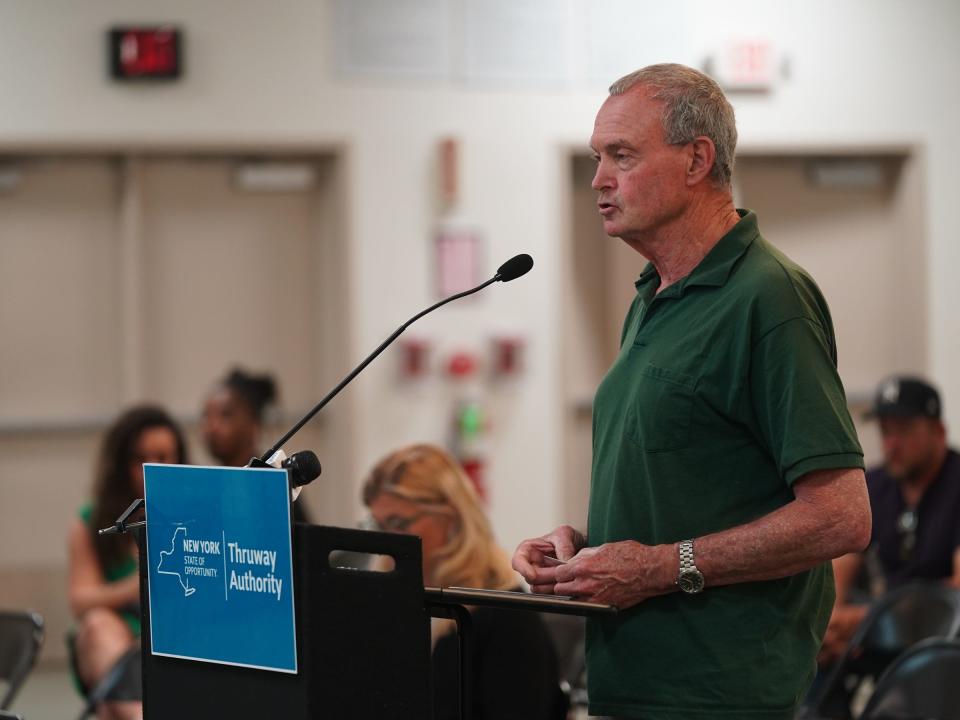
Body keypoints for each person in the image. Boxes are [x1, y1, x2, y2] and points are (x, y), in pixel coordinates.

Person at [512, 63, 872, 719]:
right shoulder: (652, 298)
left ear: (696, 160)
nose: (598, 179)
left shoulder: (768, 295)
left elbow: (841, 515)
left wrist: (656, 567)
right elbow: (697, 494)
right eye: (597, 158)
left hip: (720, 696)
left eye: (622, 155)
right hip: (631, 687)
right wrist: (585, 551)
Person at [362, 444, 564, 720]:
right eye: (379, 526)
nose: (385, 540)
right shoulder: (387, 605)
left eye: (398, 522)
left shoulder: (506, 616)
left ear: (450, 515)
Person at [820, 375, 960, 663]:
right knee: (818, 653)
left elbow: (957, 592)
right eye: (885, 432)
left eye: (905, 431)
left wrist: (866, 620)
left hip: (944, 642)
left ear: (939, 431)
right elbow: (837, 573)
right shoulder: (874, 485)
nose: (892, 444)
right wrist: (828, 624)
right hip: (884, 629)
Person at [67, 405, 188, 720]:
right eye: (141, 458)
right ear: (122, 464)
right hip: (118, 636)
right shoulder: (92, 521)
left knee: (110, 708)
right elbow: (81, 599)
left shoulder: (194, 513)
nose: (153, 467)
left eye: (164, 457)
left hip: (176, 637)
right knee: (97, 626)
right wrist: (142, 583)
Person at [201, 367, 310, 523]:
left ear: (254, 424)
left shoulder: (274, 487)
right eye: (207, 415)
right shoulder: (209, 486)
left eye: (225, 415)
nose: (212, 426)